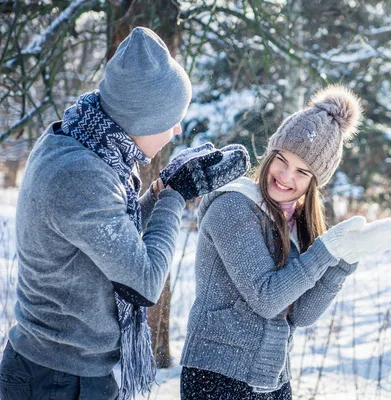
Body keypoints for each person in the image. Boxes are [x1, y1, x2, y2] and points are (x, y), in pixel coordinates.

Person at [0, 27, 249, 400]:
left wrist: (160, 190)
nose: (178, 128)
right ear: (142, 120)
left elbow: (113, 233)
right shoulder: (81, 175)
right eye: (171, 120)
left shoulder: (83, 143)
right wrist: (175, 197)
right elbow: (144, 282)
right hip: (56, 380)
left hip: (67, 372)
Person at [179, 85, 391, 399]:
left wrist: (343, 261)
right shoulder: (233, 206)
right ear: (270, 154)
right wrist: (325, 251)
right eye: (282, 160)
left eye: (302, 172)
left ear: (314, 183)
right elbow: (267, 299)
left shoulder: (292, 222)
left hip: (271, 378)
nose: (286, 176)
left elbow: (300, 315)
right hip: (217, 377)